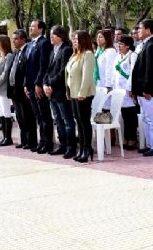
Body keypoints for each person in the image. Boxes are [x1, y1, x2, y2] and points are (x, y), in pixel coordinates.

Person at [132, 19, 153, 157]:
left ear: (148, 30)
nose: (138, 31)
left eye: (140, 29)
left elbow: (150, 70)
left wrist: (147, 89)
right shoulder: (145, 44)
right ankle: (150, 144)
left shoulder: (152, 46)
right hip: (141, 90)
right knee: (146, 118)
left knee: (152, 119)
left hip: (148, 90)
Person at [44, 26, 75, 158]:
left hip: (61, 91)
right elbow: (48, 70)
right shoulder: (52, 51)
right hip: (51, 92)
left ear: (61, 36)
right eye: (50, 35)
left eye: (53, 35)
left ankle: (71, 147)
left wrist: (50, 83)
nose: (51, 37)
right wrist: (45, 83)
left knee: (67, 120)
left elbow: (63, 71)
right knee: (58, 120)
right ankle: (62, 145)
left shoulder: (66, 50)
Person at [65, 30, 96, 163]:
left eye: (77, 39)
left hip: (83, 94)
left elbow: (87, 76)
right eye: (73, 39)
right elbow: (68, 75)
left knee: (84, 122)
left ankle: (87, 149)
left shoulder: (88, 54)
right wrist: (68, 91)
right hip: (73, 93)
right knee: (78, 121)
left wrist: (82, 93)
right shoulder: (74, 55)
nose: (74, 41)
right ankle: (82, 149)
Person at [25, 20, 54, 154]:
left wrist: (38, 83)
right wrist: (26, 84)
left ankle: (47, 142)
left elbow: (44, 66)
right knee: (38, 116)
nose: (30, 28)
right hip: (30, 85)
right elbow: (27, 66)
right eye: (30, 26)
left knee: (44, 116)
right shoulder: (30, 44)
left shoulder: (44, 43)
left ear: (41, 29)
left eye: (33, 26)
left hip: (38, 85)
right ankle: (41, 141)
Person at [113, 35, 138, 150]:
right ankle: (126, 138)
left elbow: (133, 73)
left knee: (131, 116)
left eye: (122, 44)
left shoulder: (132, 56)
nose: (119, 46)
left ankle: (132, 139)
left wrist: (130, 88)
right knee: (124, 115)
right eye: (118, 44)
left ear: (128, 46)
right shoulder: (118, 56)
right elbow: (114, 74)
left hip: (128, 91)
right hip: (119, 90)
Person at [8, 29, 32, 149]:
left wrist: (25, 85)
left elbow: (26, 71)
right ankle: (23, 140)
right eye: (13, 39)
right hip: (14, 90)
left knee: (26, 116)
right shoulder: (16, 52)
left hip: (22, 90)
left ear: (23, 39)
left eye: (16, 39)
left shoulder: (27, 51)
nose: (14, 41)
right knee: (19, 117)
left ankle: (30, 141)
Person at [94, 29, 117, 94]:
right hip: (97, 82)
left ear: (107, 39)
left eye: (101, 37)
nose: (98, 39)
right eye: (97, 37)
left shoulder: (110, 51)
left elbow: (109, 69)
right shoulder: (98, 51)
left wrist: (108, 85)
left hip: (105, 84)